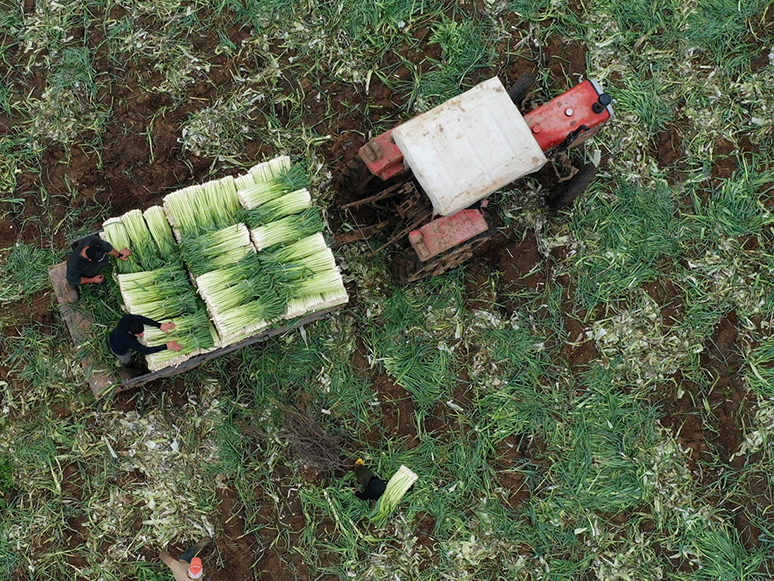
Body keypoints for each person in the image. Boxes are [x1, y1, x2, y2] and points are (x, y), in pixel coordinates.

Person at [108, 314, 183, 375]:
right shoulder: (128, 340)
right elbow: (145, 350)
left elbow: (142, 319)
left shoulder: (128, 318)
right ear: (131, 332)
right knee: (126, 358)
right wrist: (166, 346)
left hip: (114, 335)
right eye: (139, 334)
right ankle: (129, 367)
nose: (143, 334)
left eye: (142, 331)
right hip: (118, 348)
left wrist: (160, 325)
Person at [66, 234, 132, 286]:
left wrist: (119, 255)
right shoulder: (73, 265)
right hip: (87, 274)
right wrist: (92, 280)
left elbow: (107, 247)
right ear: (90, 260)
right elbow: (74, 280)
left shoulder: (93, 240)